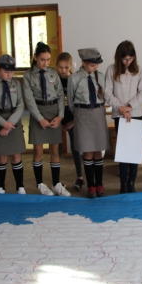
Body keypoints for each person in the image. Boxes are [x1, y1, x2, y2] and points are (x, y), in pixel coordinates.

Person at [23, 42, 69, 197]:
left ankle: (56, 184)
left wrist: (60, 116)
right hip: (38, 113)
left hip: (54, 112)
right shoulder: (28, 75)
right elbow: (29, 100)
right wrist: (39, 118)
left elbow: (61, 97)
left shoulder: (53, 73)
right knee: (38, 151)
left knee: (55, 150)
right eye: (42, 59)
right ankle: (40, 184)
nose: (45, 63)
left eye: (48, 59)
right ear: (35, 57)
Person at [104, 40, 142, 194]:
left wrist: (130, 106)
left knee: (134, 151)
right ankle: (123, 183)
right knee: (123, 150)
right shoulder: (111, 70)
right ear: (119, 58)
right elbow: (108, 93)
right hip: (119, 115)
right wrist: (122, 108)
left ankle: (132, 181)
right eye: (125, 59)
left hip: (136, 114)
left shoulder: (139, 70)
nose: (128, 62)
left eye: (130, 59)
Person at [68, 48, 108, 199]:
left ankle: (99, 184)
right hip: (82, 115)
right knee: (87, 151)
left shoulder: (101, 77)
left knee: (98, 150)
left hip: (98, 114)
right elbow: (71, 102)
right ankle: (91, 185)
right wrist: (79, 115)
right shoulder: (74, 79)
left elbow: (105, 96)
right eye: (92, 65)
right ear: (83, 62)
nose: (95, 67)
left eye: (97, 65)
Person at [0, 55, 26, 194]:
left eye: (11, 71)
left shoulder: (16, 84)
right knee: (1, 157)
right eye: (6, 71)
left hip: (14, 121)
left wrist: (10, 123)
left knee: (16, 156)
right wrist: (3, 123)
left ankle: (20, 186)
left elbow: (21, 105)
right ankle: (1, 186)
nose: (9, 74)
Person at [56, 52, 84, 191]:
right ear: (56, 66)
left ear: (70, 67)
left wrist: (73, 122)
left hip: (73, 119)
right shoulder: (54, 80)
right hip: (58, 119)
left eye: (66, 67)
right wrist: (59, 121)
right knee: (57, 149)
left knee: (75, 148)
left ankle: (80, 177)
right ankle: (56, 180)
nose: (63, 70)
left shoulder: (74, 80)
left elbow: (79, 103)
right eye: (60, 67)